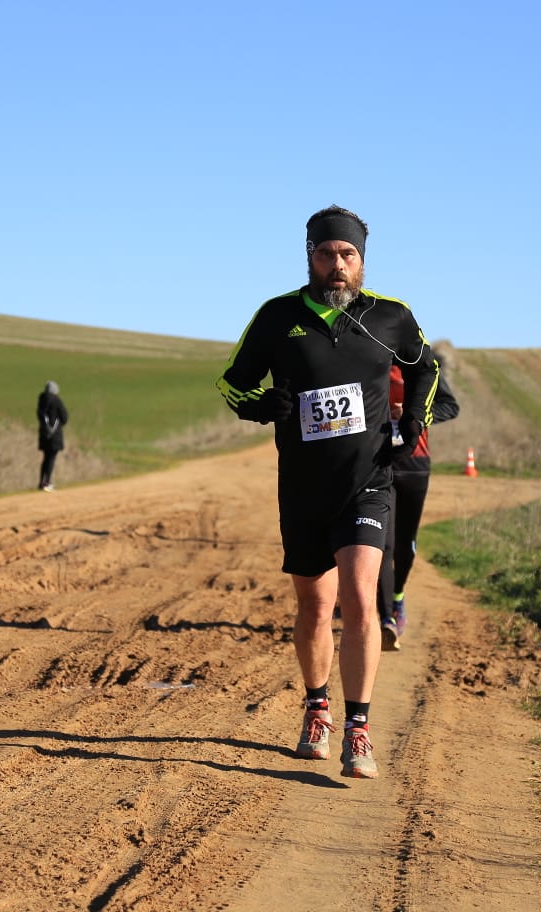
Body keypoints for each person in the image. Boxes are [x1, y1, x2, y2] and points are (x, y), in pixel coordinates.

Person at [217, 205, 441, 779]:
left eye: (348, 255)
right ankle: (317, 709)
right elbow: (231, 383)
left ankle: (358, 729)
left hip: (369, 482)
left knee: (360, 600)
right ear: (310, 257)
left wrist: (415, 418)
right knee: (315, 606)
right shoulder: (277, 316)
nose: (337, 265)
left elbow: (426, 368)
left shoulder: (390, 317)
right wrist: (262, 406)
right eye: (326, 254)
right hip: (302, 485)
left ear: (362, 261)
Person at [377, 361, 459, 651]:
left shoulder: (422, 364)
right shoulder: (368, 357)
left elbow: (450, 406)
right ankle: (386, 620)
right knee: (382, 545)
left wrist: (417, 415)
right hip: (378, 464)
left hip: (415, 466)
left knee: (404, 545)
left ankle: (397, 596)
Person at [36, 381, 70, 491]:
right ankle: (47, 482)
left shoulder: (41, 401)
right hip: (55, 435)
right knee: (51, 459)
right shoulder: (57, 401)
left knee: (45, 458)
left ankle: (41, 482)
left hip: (43, 433)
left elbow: (39, 416)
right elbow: (64, 417)